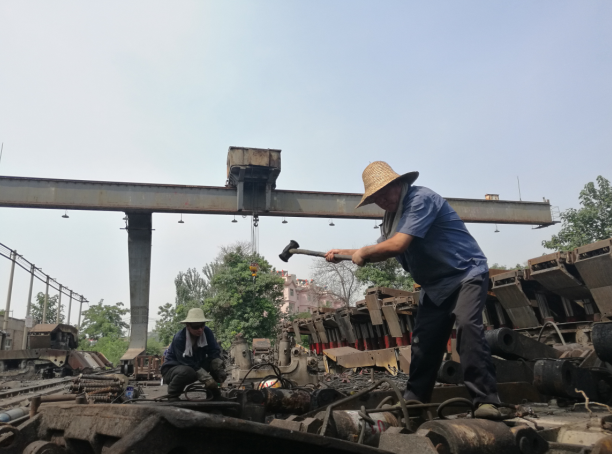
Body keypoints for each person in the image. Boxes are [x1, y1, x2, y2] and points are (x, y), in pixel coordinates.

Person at [325, 161, 506, 419]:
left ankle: (487, 401)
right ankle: (415, 404)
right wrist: (342, 253)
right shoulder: (391, 218)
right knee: (424, 343)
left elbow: (396, 246)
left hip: (465, 273)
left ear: (399, 183)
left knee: (467, 327)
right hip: (435, 286)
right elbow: (380, 250)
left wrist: (363, 252)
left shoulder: (421, 200)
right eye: (376, 198)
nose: (382, 201)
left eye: (384, 193)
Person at [161, 308, 226, 399]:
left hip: (195, 366)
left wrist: (218, 366)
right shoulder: (179, 338)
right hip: (173, 370)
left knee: (214, 363)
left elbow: (214, 351)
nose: (200, 329)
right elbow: (185, 361)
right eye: (196, 326)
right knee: (187, 371)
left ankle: (215, 394)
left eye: (202, 325)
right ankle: (173, 395)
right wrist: (205, 377)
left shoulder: (207, 332)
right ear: (188, 326)